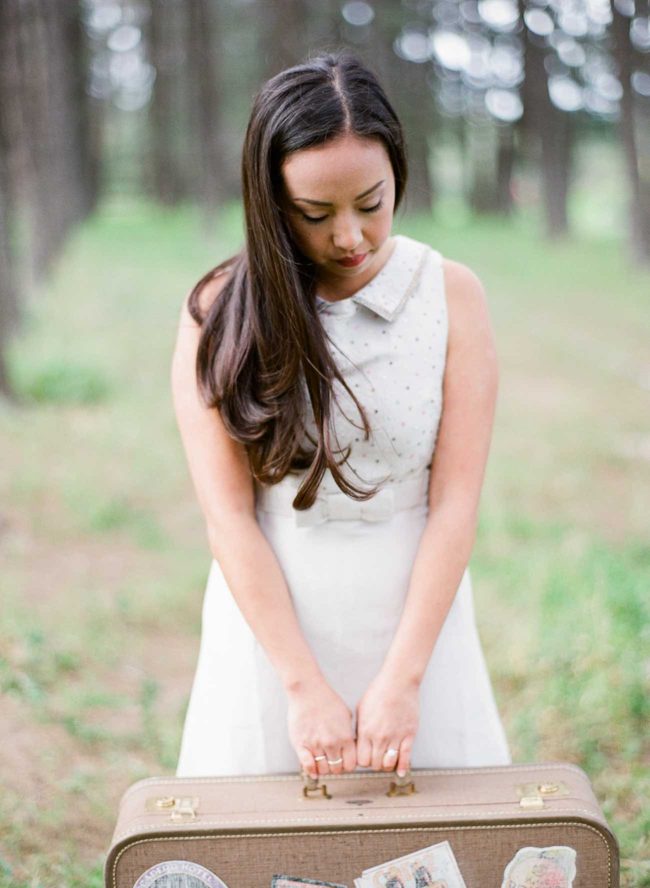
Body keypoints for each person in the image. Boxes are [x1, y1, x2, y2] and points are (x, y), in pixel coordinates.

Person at [172, 51, 511, 781]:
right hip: (272, 620)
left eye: (373, 202)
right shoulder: (219, 313)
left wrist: (405, 680)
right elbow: (228, 516)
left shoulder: (452, 296)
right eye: (316, 215)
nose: (351, 237)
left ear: (399, 176)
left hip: (415, 611)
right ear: (270, 203)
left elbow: (455, 502)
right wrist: (301, 685)